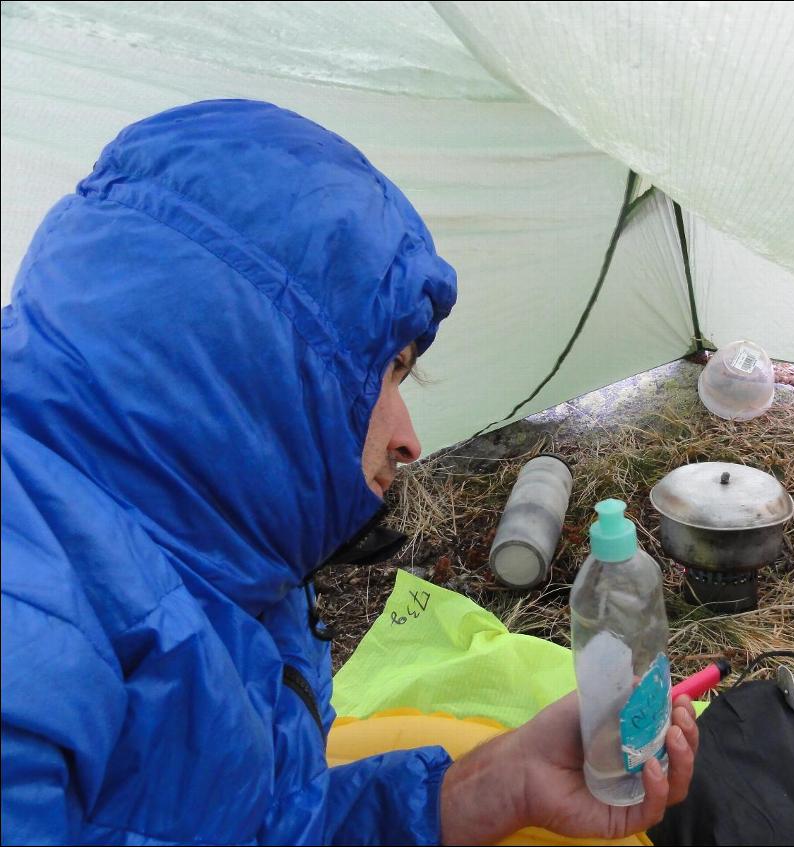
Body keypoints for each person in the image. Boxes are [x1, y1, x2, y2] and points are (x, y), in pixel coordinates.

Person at [0, 99, 697, 845]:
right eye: (383, 376)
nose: (408, 439)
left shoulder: (207, 566)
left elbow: (265, 830)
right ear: (248, 364)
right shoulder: (31, 639)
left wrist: (501, 781)